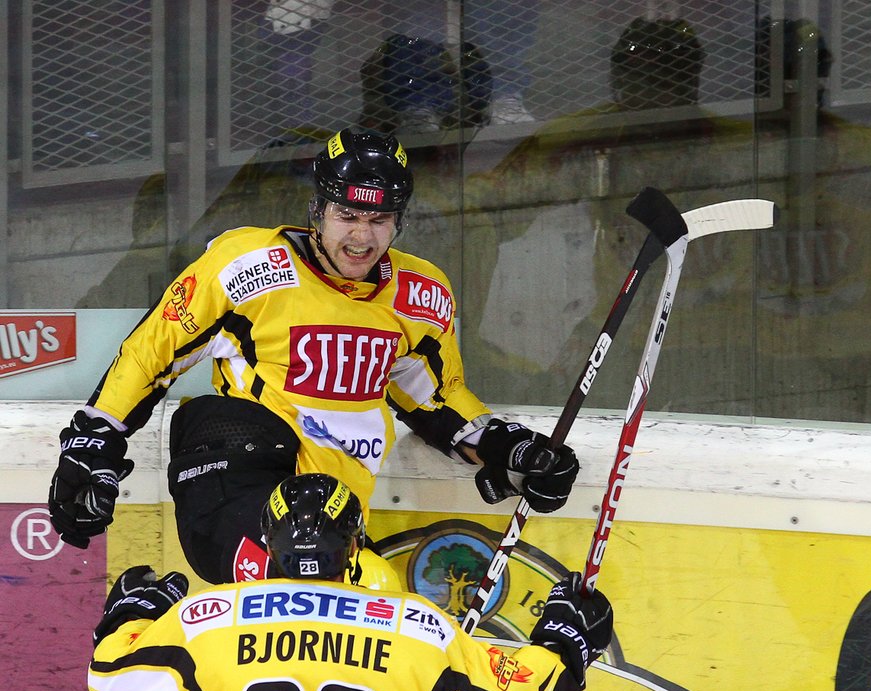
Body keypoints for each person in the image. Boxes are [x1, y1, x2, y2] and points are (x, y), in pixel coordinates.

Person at [48, 128, 579, 587]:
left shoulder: (420, 295)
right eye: (347, 214)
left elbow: (437, 399)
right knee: (340, 588)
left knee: (367, 612)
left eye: (379, 219)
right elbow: (150, 353)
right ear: (318, 210)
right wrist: (94, 441)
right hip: (243, 495)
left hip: (338, 521)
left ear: (398, 222)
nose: (361, 236)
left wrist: (507, 448)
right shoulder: (247, 266)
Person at [88, 473, 613, 691]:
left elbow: (110, 685)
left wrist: (131, 614)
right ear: (355, 544)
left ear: (268, 543)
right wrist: (563, 641)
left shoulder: (209, 618)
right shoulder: (417, 626)